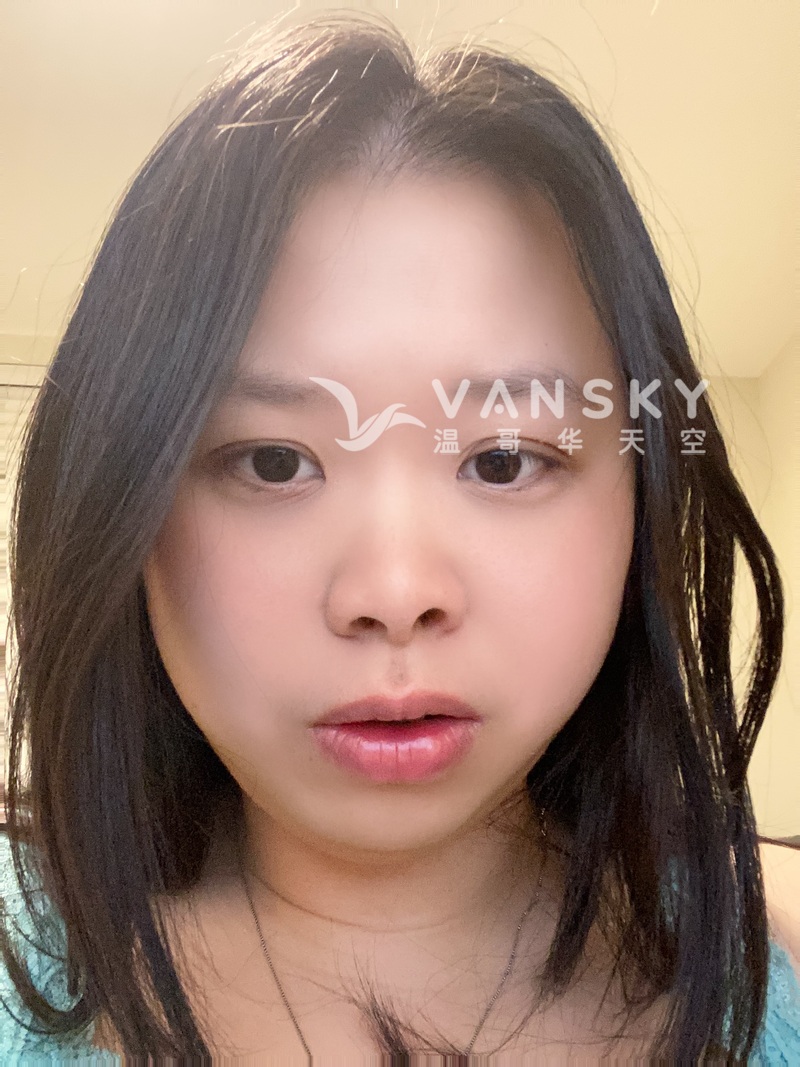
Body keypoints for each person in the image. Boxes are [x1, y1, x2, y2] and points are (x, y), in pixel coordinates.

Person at [1, 12, 798, 1062]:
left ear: (640, 503)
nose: (392, 590)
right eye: (272, 461)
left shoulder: (770, 956)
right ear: (129, 510)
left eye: (503, 459)